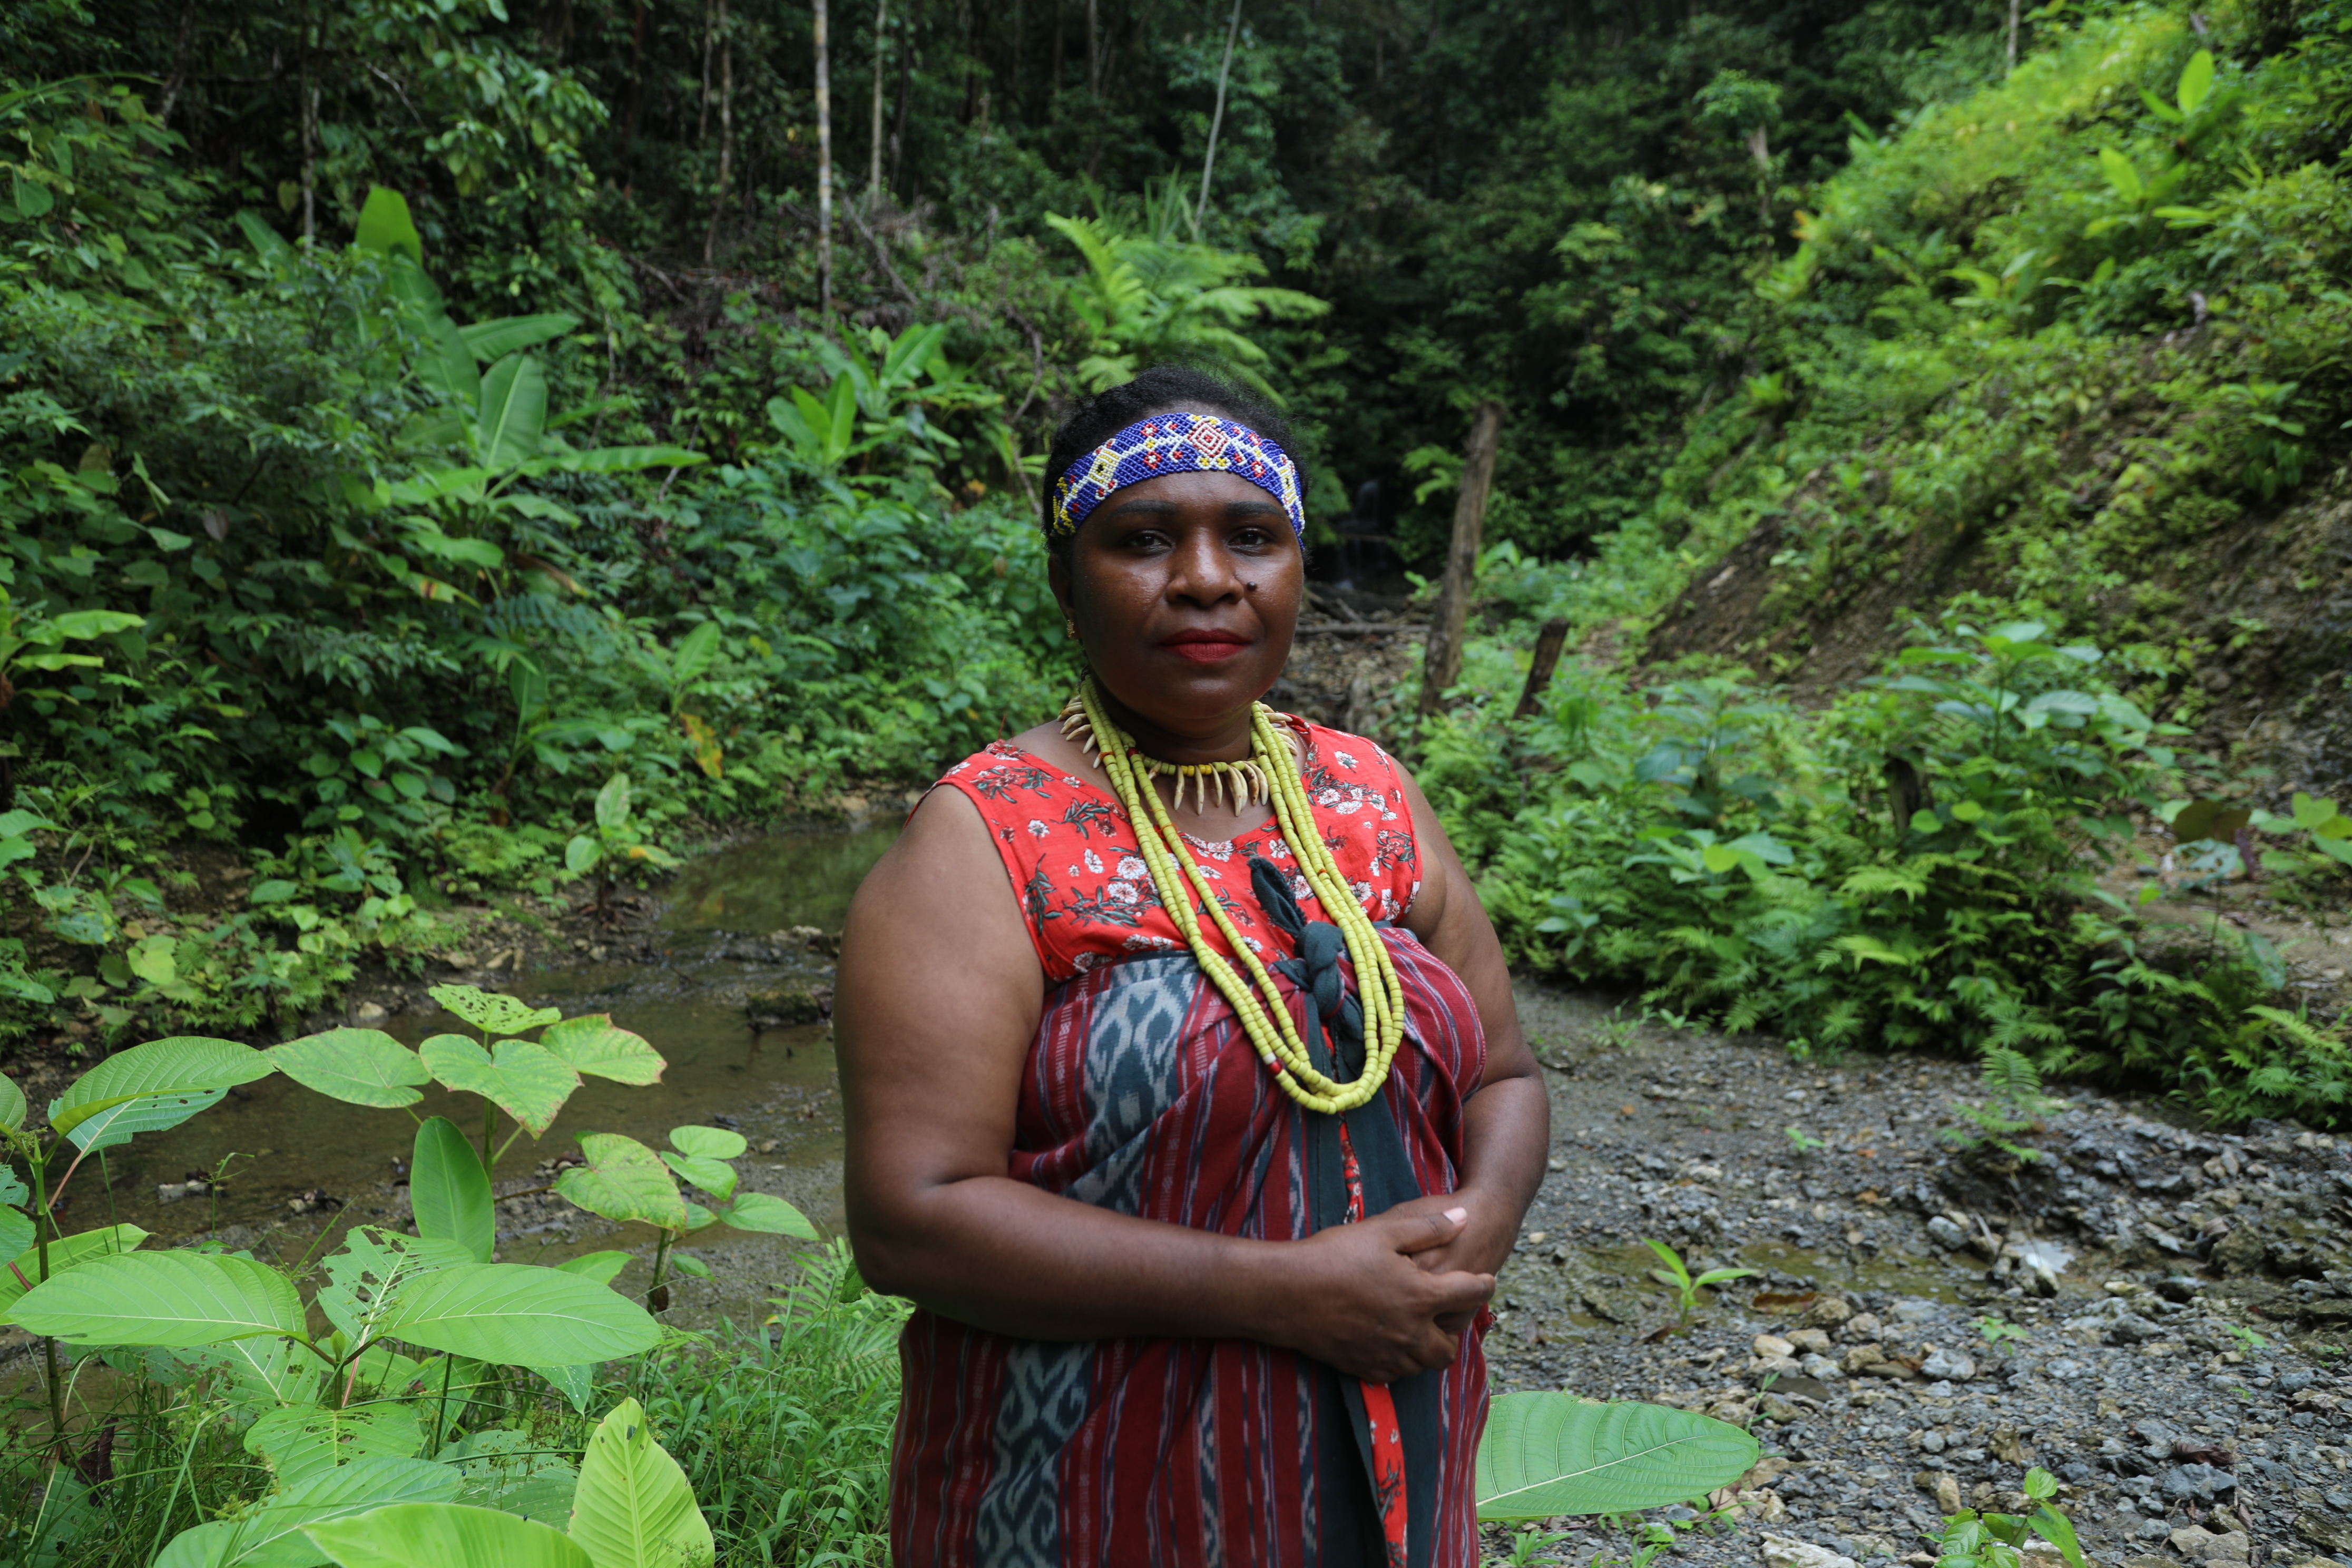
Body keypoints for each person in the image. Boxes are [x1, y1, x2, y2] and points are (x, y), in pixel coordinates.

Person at [836, 365, 1549, 1567]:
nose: (1208, 577)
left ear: (1298, 572)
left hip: (1395, 1444)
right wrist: (1289, 1294)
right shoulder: (986, 840)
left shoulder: (1369, 797)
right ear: (1069, 587)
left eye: (1253, 536)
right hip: (1095, 1484)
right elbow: (913, 1221)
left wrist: (1476, 1225)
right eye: (1147, 538)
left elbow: (1507, 1081)